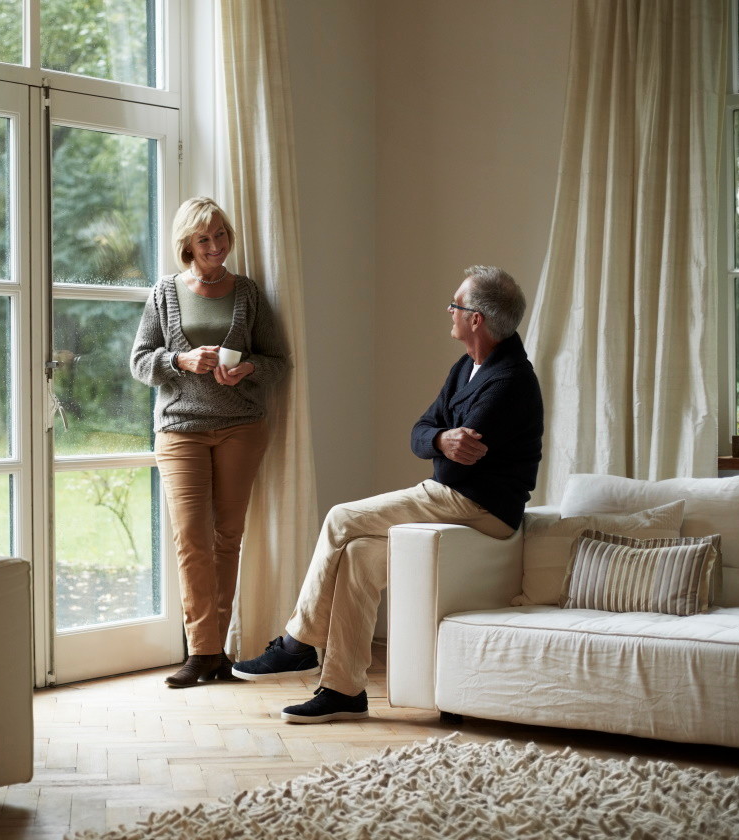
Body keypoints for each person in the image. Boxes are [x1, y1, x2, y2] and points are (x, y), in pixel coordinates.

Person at [231, 266, 543, 722]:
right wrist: (439, 439)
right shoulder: (465, 369)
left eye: (456, 304)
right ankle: (343, 688)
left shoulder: (511, 380)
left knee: (341, 518)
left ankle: (298, 643)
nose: (449, 310)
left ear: (476, 319)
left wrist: (441, 447)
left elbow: (457, 464)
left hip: (478, 505)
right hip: (455, 494)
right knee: (358, 556)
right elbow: (420, 433)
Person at [131, 197, 288, 688]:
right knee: (191, 539)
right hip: (180, 429)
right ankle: (202, 650)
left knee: (227, 538)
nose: (216, 245)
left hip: (241, 426)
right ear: (187, 245)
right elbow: (138, 361)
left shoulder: (247, 293)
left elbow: (279, 361)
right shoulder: (165, 294)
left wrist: (249, 369)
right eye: (205, 239)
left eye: (221, 235)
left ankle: (216, 654)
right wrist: (180, 361)